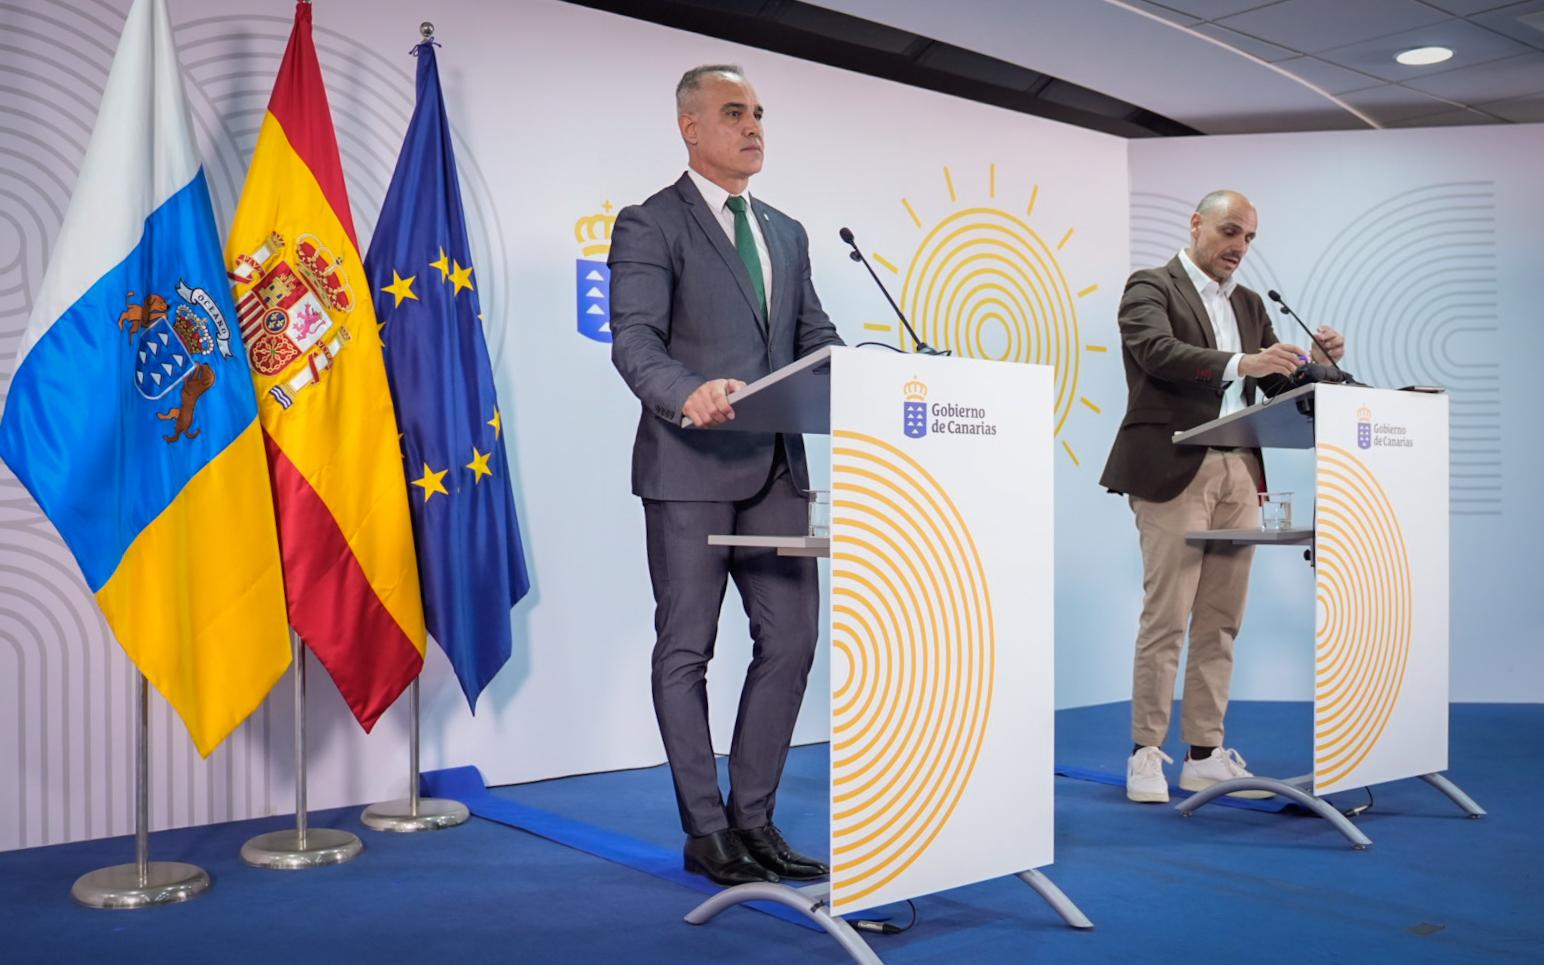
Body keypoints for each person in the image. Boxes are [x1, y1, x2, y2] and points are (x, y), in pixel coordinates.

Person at [608, 64, 843, 884]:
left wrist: (870, 377)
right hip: (689, 468)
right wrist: (686, 392)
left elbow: (814, 337)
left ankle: (755, 820)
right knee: (687, 648)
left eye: (759, 114)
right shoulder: (651, 222)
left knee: (793, 641)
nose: (753, 128)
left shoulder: (786, 231)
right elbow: (634, 339)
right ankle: (707, 831)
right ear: (690, 126)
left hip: (777, 470)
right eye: (735, 113)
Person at [1099, 190, 1346, 804]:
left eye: (1249, 238)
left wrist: (1314, 364)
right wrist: (1244, 361)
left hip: (1241, 468)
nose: (1240, 247)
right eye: (1231, 231)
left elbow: (1277, 383)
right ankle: (1146, 752)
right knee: (1167, 616)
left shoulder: (1251, 303)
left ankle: (1204, 755)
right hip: (1173, 464)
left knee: (1222, 620)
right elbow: (1157, 353)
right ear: (1197, 225)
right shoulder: (1150, 286)